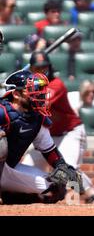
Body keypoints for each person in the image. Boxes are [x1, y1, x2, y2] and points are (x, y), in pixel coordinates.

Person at [21, 51, 94, 204]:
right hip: (48, 137)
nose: (43, 70)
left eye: (45, 67)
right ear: (32, 69)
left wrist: (20, 90)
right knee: (27, 168)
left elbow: (39, 103)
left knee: (66, 168)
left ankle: (90, 196)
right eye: (38, 68)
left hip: (69, 133)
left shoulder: (56, 85)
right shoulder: (29, 87)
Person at [0, 69, 76, 204]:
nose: (39, 94)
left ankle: (9, 197)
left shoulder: (36, 118)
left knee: (55, 188)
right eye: (32, 89)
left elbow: (50, 150)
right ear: (16, 94)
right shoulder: (2, 111)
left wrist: (62, 168)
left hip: (8, 170)